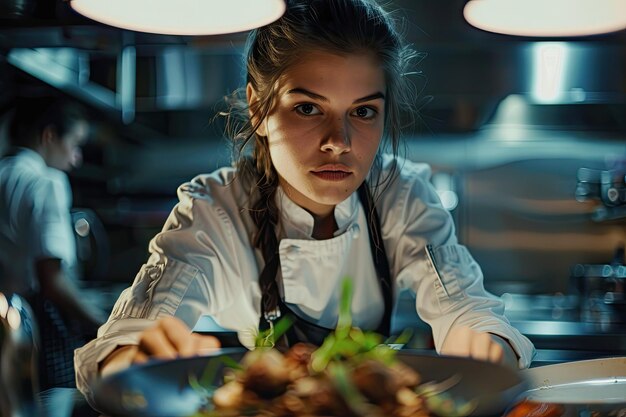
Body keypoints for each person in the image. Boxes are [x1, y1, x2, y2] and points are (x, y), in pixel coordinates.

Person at [75, 0, 535, 407]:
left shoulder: (400, 193)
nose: (339, 142)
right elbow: (127, 339)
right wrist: (132, 361)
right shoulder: (214, 209)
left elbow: (464, 306)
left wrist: (482, 344)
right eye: (308, 108)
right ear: (258, 109)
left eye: (363, 111)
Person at [0, 96, 106, 389]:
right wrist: (103, 327)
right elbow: (52, 282)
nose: (76, 158)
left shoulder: (3, 174)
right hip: (38, 329)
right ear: (49, 136)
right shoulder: (47, 182)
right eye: (75, 144)